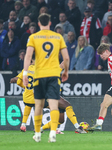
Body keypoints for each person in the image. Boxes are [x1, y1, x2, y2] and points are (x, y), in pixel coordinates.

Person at [23, 13, 69, 143]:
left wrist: (25, 73)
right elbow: (65, 57)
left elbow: (28, 56)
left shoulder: (33, 37)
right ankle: (53, 133)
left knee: (39, 105)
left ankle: (37, 134)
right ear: (50, 23)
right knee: (53, 105)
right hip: (54, 75)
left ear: (38, 23)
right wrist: (66, 71)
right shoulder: (58, 37)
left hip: (39, 75)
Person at [10, 56, 86, 134]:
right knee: (66, 105)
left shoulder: (27, 70)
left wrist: (24, 86)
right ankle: (78, 127)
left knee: (61, 119)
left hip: (34, 97)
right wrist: (60, 67)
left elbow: (17, 80)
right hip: (46, 95)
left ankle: (40, 128)